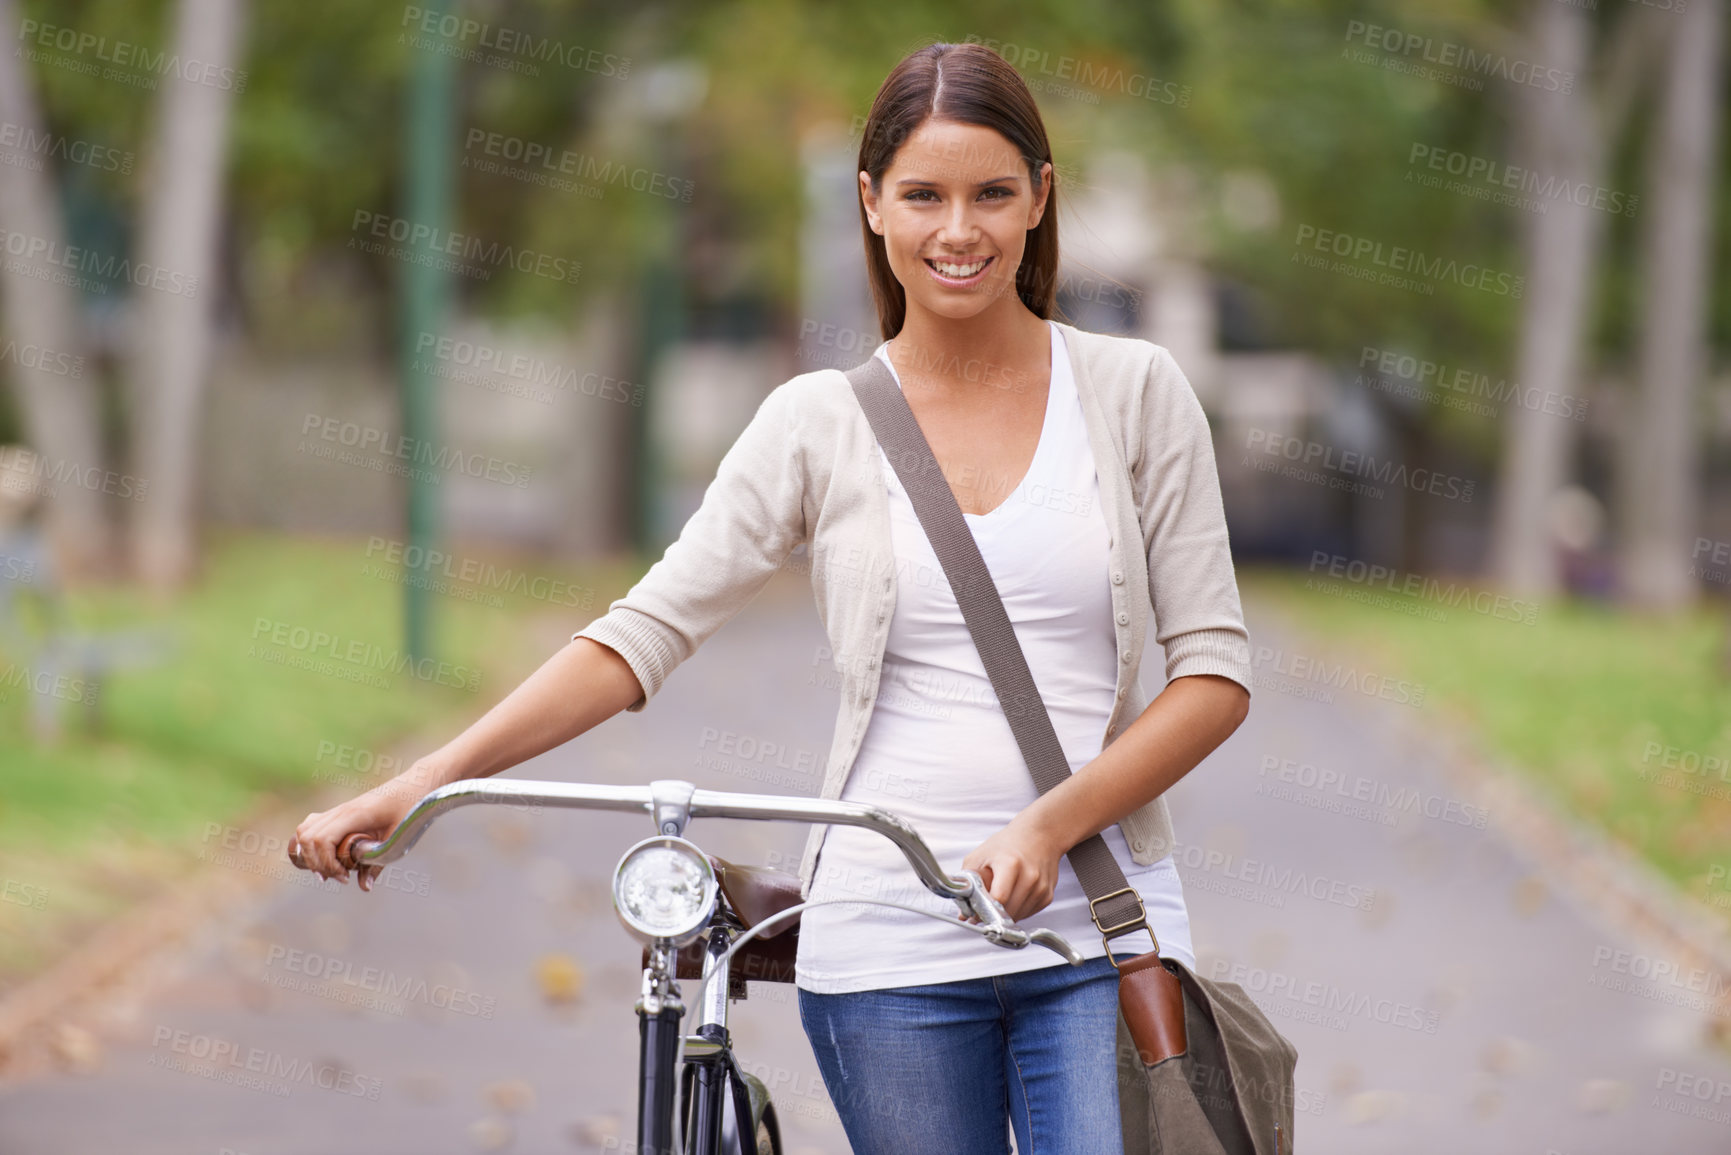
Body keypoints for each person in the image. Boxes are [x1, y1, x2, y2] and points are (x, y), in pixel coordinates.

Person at [291, 39, 1252, 1155]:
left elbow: (1215, 676)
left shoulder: (1134, 394)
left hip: (1099, 935)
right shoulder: (817, 423)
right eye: (923, 195)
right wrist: (418, 785)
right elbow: (642, 635)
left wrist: (1051, 824)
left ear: (1041, 199)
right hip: (886, 948)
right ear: (872, 205)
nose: (959, 230)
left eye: (993, 193)